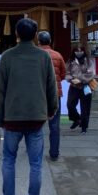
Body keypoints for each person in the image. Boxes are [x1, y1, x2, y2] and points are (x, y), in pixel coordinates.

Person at [0, 18, 58, 195]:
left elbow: (0, 91)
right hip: (36, 117)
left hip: (12, 118)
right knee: (36, 163)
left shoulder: (7, 56)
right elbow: (51, 87)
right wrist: (52, 109)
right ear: (36, 35)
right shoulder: (43, 57)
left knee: (9, 160)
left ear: (16, 34)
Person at [37, 31, 66, 161]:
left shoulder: (35, 55)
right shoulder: (58, 55)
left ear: (38, 41)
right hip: (55, 94)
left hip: (38, 93)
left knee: (36, 124)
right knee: (54, 125)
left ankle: (35, 150)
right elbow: (63, 74)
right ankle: (54, 153)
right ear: (50, 41)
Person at [65, 44, 96, 135]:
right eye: (76, 51)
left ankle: (84, 126)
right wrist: (71, 79)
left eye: (80, 51)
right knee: (70, 104)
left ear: (84, 51)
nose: (79, 53)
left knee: (85, 108)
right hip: (74, 86)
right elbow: (67, 72)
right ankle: (77, 119)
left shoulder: (89, 61)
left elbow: (91, 73)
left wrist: (81, 79)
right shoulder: (71, 61)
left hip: (86, 86)